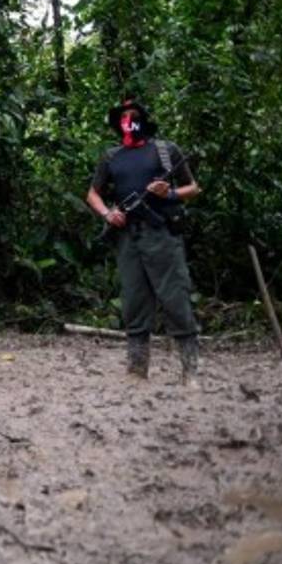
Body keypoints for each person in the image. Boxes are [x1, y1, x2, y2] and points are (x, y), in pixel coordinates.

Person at [86, 99, 201, 384]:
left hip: (162, 234)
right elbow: (92, 194)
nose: (128, 120)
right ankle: (137, 372)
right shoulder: (112, 156)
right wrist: (108, 213)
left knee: (175, 298)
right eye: (123, 116)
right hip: (128, 238)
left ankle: (190, 372)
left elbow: (193, 188)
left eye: (134, 115)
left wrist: (169, 194)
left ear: (144, 120)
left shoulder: (166, 150)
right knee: (134, 301)